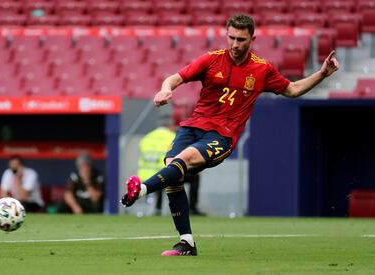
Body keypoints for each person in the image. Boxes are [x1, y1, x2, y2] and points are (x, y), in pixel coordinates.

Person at [121, 14, 340, 256]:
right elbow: (174, 78)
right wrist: (165, 90)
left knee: (185, 159)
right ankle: (187, 243)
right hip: (193, 126)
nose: (236, 44)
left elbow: (293, 89)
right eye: (232, 38)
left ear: (252, 39)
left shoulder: (262, 69)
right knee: (172, 170)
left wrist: (321, 74)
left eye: (241, 40)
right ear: (226, 35)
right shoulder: (211, 60)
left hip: (222, 135)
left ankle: (140, 190)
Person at [137, 115, 204, 215]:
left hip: (144, 176)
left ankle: (157, 209)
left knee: (162, 174)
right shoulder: (172, 137)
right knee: (193, 177)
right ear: (171, 125)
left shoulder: (146, 138)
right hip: (162, 175)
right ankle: (191, 208)